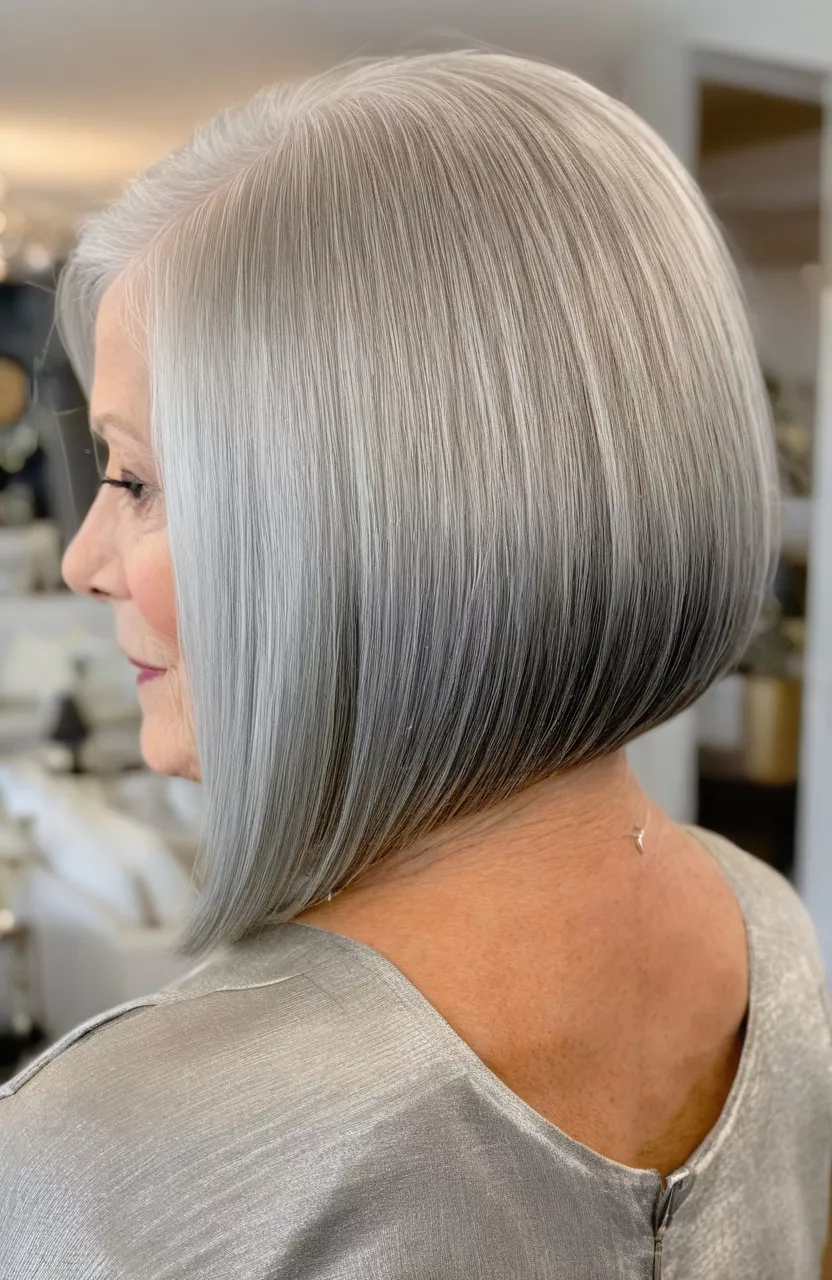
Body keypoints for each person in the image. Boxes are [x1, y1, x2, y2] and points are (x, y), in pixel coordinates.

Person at [1, 51, 830, 1280]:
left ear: (361, 528)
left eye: (135, 478)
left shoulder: (110, 1157)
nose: (84, 559)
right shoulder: (767, 931)